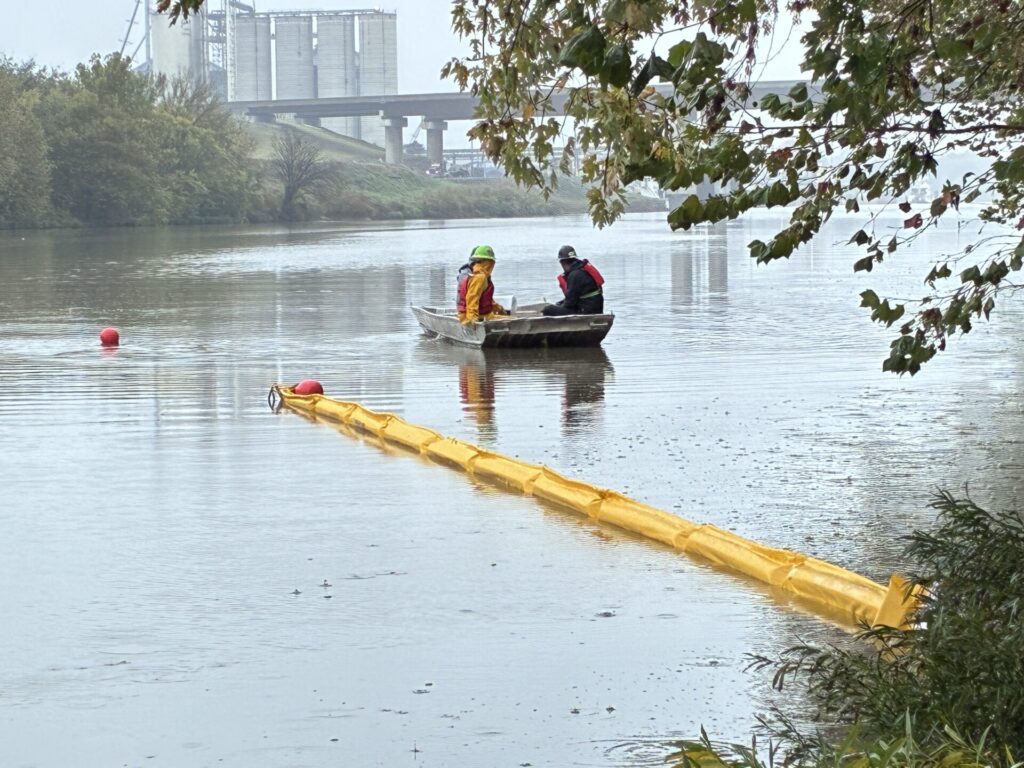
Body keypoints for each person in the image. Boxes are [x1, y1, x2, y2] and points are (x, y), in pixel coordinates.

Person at [542, 245, 605, 316]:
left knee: (548, 310)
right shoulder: (582, 269)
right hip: (594, 308)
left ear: (563, 262)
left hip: (586, 310)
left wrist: (558, 307)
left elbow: (570, 302)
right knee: (559, 305)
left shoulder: (574, 275)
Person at [457, 245, 507, 324]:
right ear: (487, 262)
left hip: (480, 315)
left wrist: (498, 308)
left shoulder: (478, 275)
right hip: (476, 317)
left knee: (509, 318)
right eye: (491, 262)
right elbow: (472, 298)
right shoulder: (480, 277)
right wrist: (472, 319)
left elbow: (484, 298)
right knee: (514, 320)